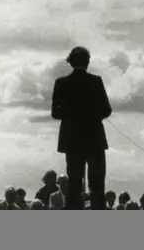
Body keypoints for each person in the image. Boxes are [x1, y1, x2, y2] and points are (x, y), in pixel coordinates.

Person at [51, 45, 112, 210]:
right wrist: (91, 115)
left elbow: (55, 114)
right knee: (97, 183)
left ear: (70, 62)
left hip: (72, 141)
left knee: (74, 183)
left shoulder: (61, 83)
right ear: (88, 62)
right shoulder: (95, 81)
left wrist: (72, 114)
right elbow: (107, 110)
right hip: (94, 139)